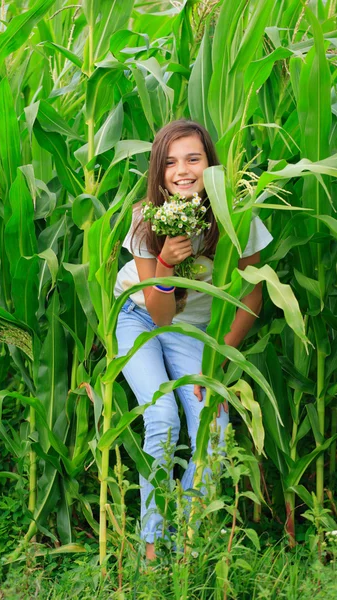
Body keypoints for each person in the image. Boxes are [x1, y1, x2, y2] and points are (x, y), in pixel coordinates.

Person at [113, 119, 272, 560]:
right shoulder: (146, 219)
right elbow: (159, 313)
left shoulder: (237, 213)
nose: (182, 170)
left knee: (215, 432)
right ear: (158, 172)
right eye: (170, 162)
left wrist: (216, 363)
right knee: (161, 416)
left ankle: (185, 539)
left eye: (193, 159)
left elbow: (253, 291)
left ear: (210, 164)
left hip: (195, 332)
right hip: (141, 318)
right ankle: (150, 547)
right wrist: (164, 259)